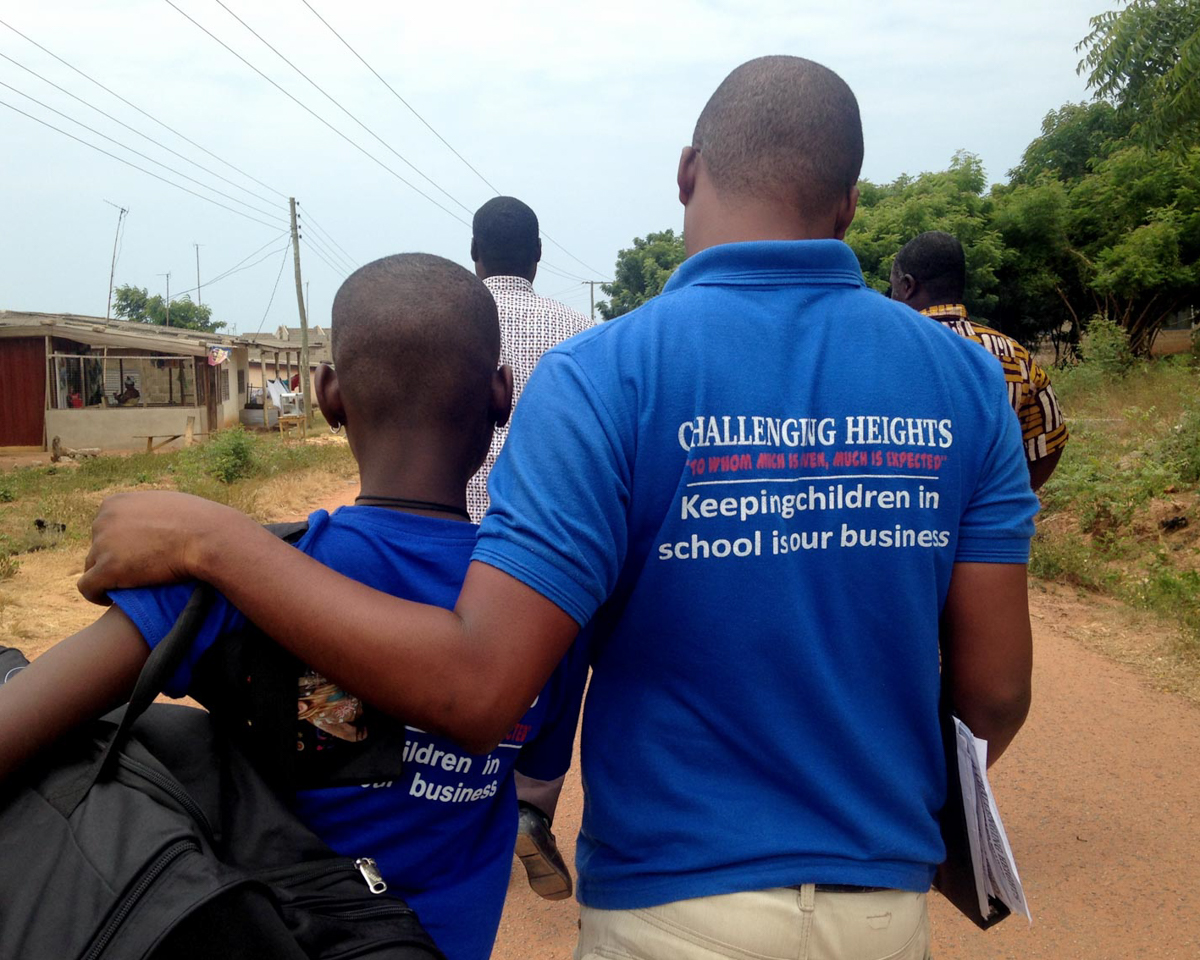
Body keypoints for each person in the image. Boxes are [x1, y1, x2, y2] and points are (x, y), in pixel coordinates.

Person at [79, 56, 1038, 960]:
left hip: (672, 906)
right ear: (850, 203)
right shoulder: (963, 382)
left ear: (687, 172)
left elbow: (480, 685)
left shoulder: (608, 373)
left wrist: (217, 540)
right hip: (884, 907)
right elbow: (994, 698)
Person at [0, 253, 588, 960]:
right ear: (500, 394)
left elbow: (20, 722)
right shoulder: (546, 610)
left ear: (327, 395)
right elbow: (536, 768)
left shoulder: (233, 574)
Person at [468, 194, 593, 901]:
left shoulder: (450, 327)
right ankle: (528, 806)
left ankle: (443, 798)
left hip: (454, 533)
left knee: (444, 665)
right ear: (538, 255)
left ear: (474, 255)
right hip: (550, 545)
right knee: (559, 669)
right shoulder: (580, 335)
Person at [890, 230, 1069, 490]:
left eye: (892, 288)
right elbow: (1049, 439)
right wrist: (1005, 500)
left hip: (906, 521)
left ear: (907, 286)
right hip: (990, 526)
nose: (890, 297)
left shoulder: (887, 350)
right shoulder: (1014, 354)